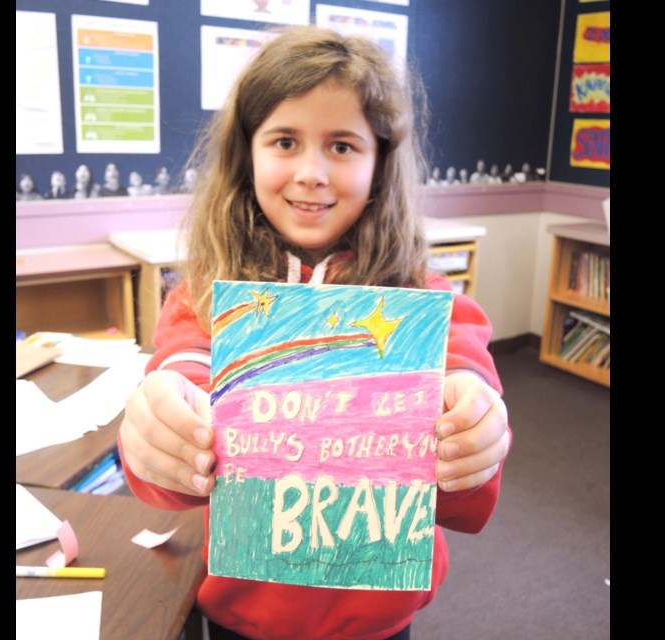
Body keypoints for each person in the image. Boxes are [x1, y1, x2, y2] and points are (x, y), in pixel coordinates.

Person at [118, 25, 511, 640]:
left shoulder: (431, 307)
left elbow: (465, 403)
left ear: (380, 161)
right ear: (247, 153)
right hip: (234, 612)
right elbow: (182, 381)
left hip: (375, 619)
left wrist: (475, 435)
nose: (311, 173)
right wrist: (161, 426)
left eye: (343, 146)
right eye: (284, 141)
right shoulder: (202, 301)